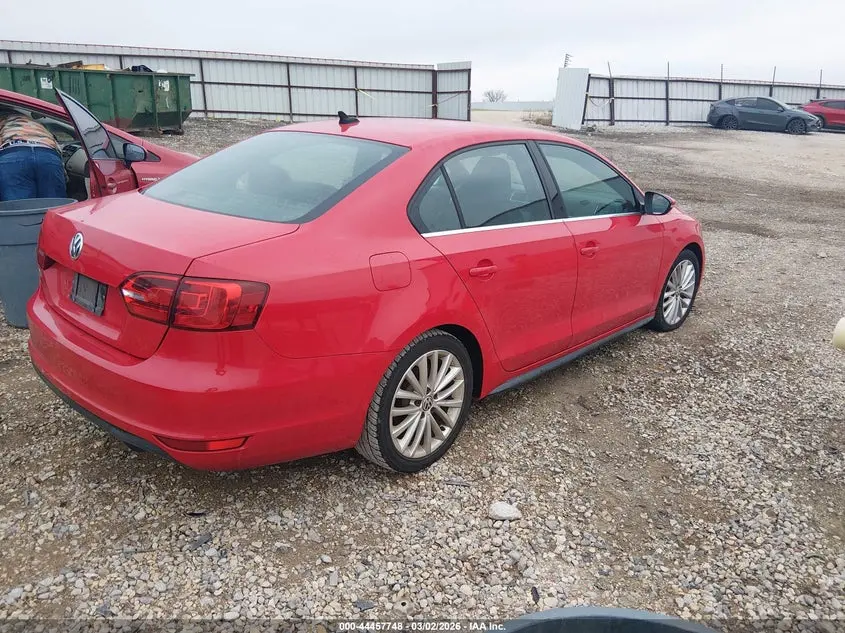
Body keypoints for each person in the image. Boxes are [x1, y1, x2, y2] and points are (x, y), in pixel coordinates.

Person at [0, 108, 67, 202]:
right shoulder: (34, 123)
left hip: (13, 154)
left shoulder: (3, 121)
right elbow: (57, 148)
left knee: (19, 209)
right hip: (47, 153)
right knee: (54, 206)